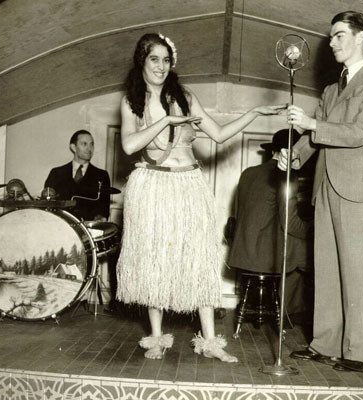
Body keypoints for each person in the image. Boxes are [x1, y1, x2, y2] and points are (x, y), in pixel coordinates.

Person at [116, 33, 286, 363]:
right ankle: (156, 337)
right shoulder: (131, 102)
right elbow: (128, 146)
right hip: (153, 185)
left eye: (166, 60)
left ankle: (209, 341)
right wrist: (166, 120)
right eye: (154, 59)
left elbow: (219, 134)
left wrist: (254, 112)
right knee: (155, 260)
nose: (161, 67)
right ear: (142, 61)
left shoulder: (185, 96)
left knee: (198, 261)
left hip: (189, 183)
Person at [278, 11, 363, 373]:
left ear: (360, 38)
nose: (332, 43)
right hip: (325, 186)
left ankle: (358, 351)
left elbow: (359, 132)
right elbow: (315, 138)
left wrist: (312, 122)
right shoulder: (331, 90)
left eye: (339, 36)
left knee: (356, 270)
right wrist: (293, 155)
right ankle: (325, 343)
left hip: (356, 187)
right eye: (331, 37)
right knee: (325, 267)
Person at [227, 129, 313, 317]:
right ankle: (291, 315)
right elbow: (290, 223)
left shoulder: (248, 173)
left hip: (243, 252)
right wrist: (314, 230)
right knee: (311, 252)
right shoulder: (287, 175)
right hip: (265, 256)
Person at [44, 130, 111, 221]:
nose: (89, 148)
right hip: (60, 226)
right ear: (73, 147)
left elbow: (104, 207)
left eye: (91, 144)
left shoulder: (102, 175)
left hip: (88, 230)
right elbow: (47, 203)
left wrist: (100, 217)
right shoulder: (56, 173)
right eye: (84, 144)